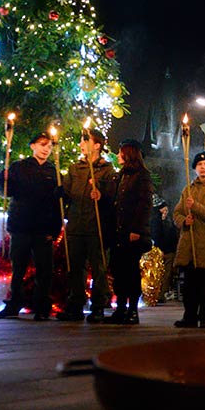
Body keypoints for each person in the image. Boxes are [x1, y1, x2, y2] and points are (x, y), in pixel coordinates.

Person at [0, 132, 62, 321]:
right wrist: (4, 180)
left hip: (43, 229)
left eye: (49, 146)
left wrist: (54, 230)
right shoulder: (19, 167)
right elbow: (6, 193)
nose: (46, 149)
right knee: (18, 269)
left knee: (44, 270)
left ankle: (42, 307)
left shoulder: (53, 171)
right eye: (42, 145)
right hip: (21, 226)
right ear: (33, 146)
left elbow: (57, 205)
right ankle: (14, 303)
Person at [56, 129, 117, 323]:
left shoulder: (106, 169)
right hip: (76, 225)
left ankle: (98, 305)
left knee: (98, 267)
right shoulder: (75, 168)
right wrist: (60, 191)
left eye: (86, 140)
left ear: (97, 145)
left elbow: (111, 195)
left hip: (95, 226)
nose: (81, 144)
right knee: (75, 267)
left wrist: (101, 194)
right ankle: (75, 304)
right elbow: (66, 194)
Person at [104, 139, 154, 325]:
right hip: (118, 233)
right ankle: (121, 309)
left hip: (132, 233)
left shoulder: (142, 177)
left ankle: (133, 309)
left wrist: (136, 229)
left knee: (131, 272)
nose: (118, 156)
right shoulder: (120, 177)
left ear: (129, 153)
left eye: (120, 152)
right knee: (118, 271)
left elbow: (144, 205)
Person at [173, 152, 205, 329]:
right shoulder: (188, 189)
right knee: (189, 285)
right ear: (195, 168)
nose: (203, 167)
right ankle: (189, 316)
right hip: (190, 244)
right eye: (200, 164)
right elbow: (177, 213)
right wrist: (184, 221)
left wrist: (195, 207)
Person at [150, 194, 179, 303]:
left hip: (169, 251)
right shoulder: (156, 221)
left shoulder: (169, 220)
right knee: (159, 274)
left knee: (166, 275)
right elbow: (156, 234)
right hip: (160, 251)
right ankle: (156, 294)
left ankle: (161, 294)